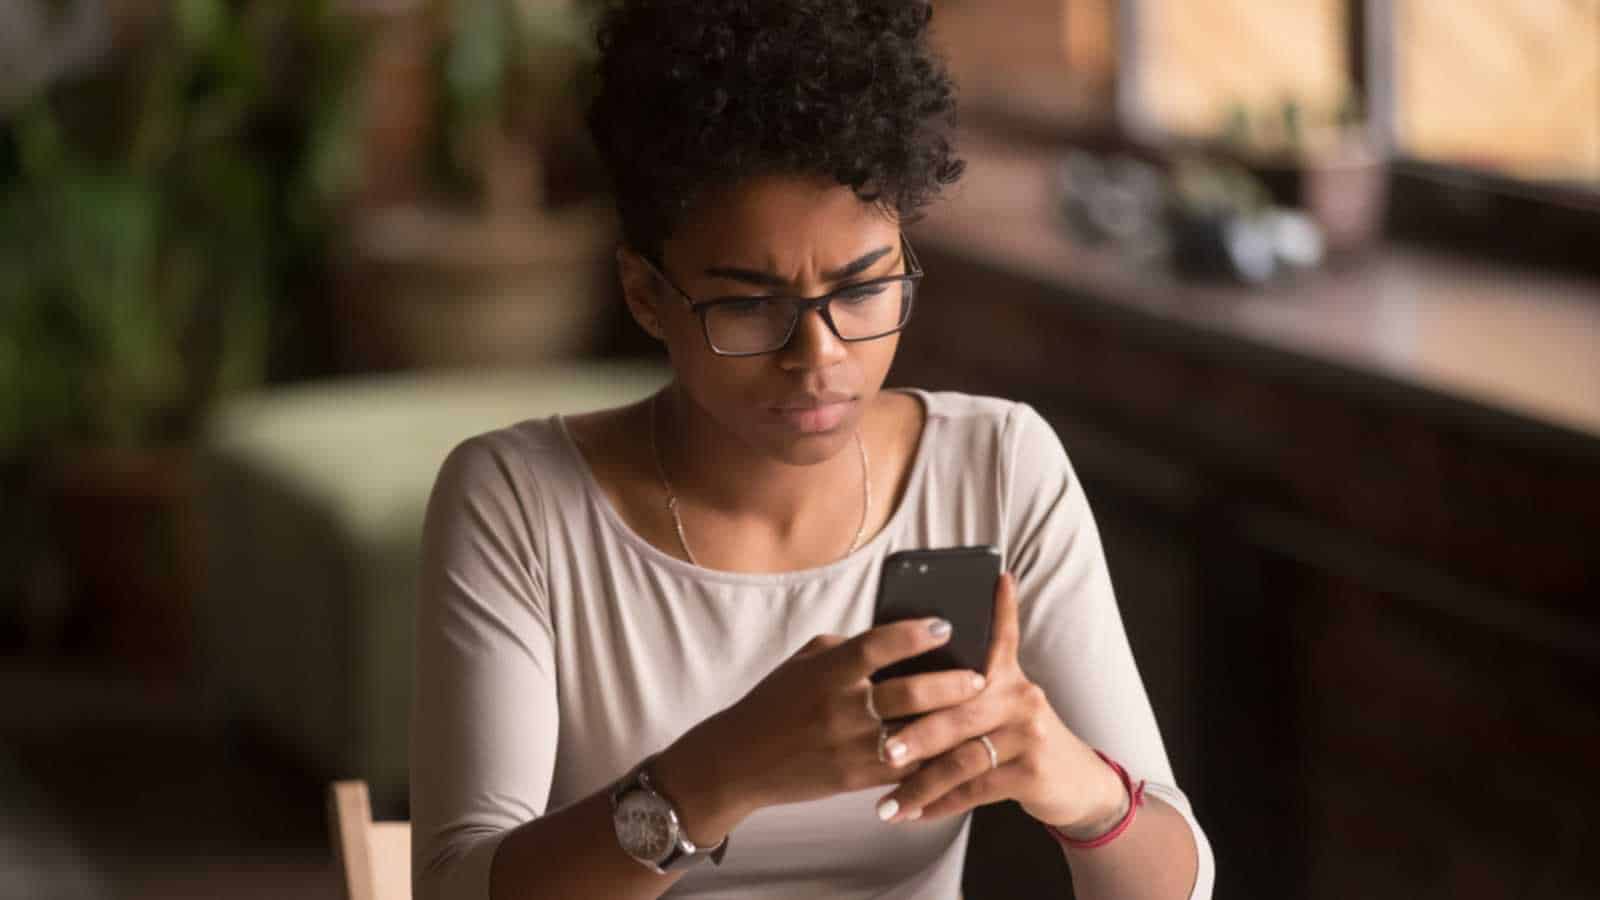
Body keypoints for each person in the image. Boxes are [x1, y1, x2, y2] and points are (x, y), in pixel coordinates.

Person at [410, 1, 1214, 898]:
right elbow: (455, 890)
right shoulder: (518, 503)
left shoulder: (996, 469)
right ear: (645, 294)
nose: (821, 358)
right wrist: (721, 773)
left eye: (864, 289)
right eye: (751, 306)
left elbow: (1175, 883)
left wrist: (1076, 786)